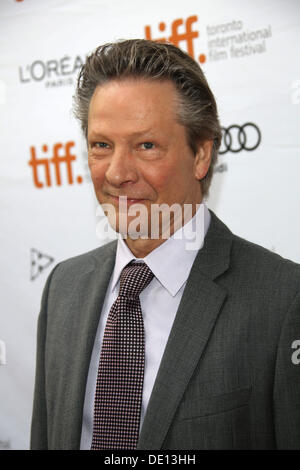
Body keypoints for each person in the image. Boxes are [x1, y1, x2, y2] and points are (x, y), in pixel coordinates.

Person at [30, 39, 300, 450]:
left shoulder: (282, 300)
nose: (118, 173)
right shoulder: (63, 287)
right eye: (102, 145)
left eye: (146, 146)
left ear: (201, 156)